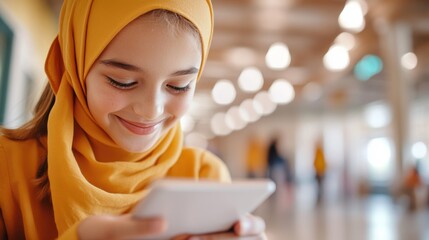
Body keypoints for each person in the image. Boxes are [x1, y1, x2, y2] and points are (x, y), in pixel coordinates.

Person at [0, 1, 266, 239]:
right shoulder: (7, 167)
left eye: (179, 85)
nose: (151, 111)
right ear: (74, 64)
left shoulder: (204, 177)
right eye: (122, 82)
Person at [313, 139, 327, 204]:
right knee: (319, 185)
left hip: (320, 171)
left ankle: (320, 196)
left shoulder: (320, 152)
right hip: (319, 171)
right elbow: (317, 162)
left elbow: (322, 163)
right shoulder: (318, 152)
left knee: (320, 185)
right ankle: (319, 196)